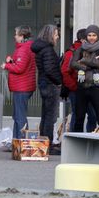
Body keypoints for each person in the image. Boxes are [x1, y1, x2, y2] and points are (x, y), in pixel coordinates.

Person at [71, 25, 99, 131]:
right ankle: (78, 141)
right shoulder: (81, 48)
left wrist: (83, 60)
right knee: (79, 117)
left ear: (98, 35)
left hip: (96, 86)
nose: (91, 37)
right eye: (89, 35)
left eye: (94, 35)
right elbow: (73, 64)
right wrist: (87, 65)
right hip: (82, 86)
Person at [33, 24, 63, 153]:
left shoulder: (40, 48)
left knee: (45, 115)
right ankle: (48, 144)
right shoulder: (48, 50)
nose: (57, 37)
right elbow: (50, 69)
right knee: (50, 116)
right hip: (50, 85)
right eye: (56, 34)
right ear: (50, 35)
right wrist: (59, 82)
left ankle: (43, 142)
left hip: (44, 83)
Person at [3, 26, 36, 139]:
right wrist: (12, 61)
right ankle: (17, 141)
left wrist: (6, 65)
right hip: (23, 85)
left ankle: (22, 142)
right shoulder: (26, 47)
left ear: (22, 36)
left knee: (20, 116)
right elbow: (21, 64)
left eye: (16, 34)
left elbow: (20, 68)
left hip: (22, 87)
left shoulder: (23, 49)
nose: (14, 36)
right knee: (18, 116)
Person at [60, 28, 84, 131]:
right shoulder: (72, 52)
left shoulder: (86, 50)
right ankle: (74, 139)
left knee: (81, 113)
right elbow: (65, 72)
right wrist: (74, 86)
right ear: (83, 39)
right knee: (77, 113)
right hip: (75, 88)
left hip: (83, 88)